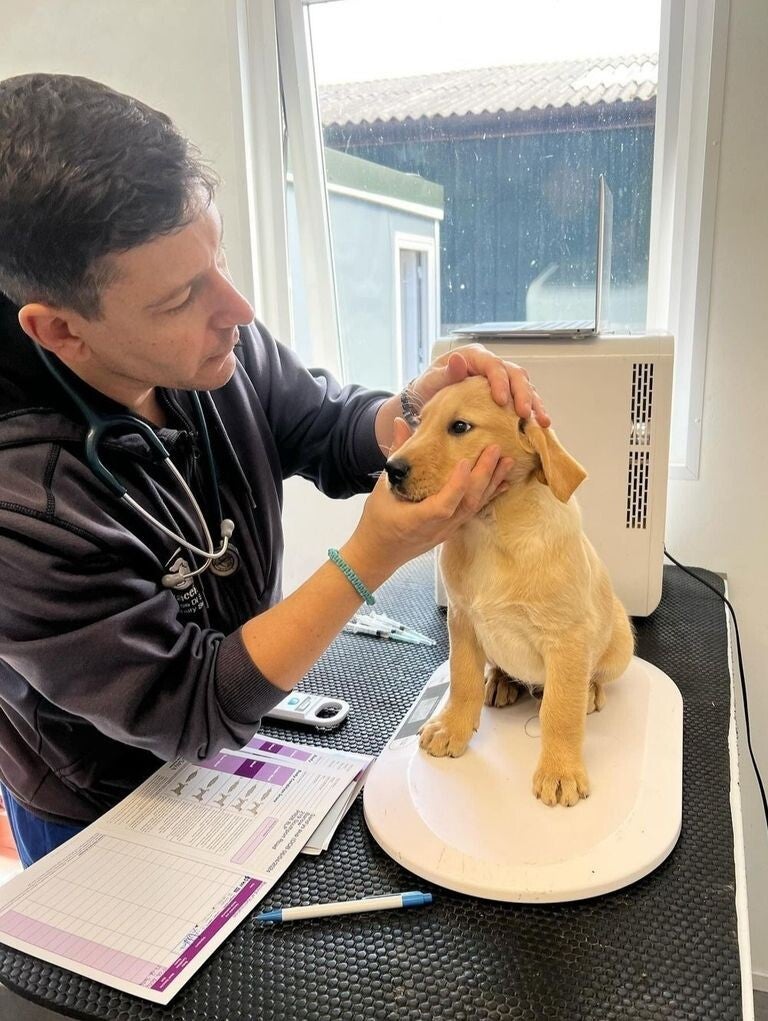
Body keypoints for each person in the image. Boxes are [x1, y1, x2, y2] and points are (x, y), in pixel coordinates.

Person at [0, 73, 549, 867]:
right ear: (61, 331)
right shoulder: (21, 507)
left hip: (236, 737)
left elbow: (324, 426)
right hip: (102, 796)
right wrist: (371, 556)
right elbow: (189, 703)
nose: (238, 308)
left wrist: (416, 416)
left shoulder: (210, 342)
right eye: (182, 294)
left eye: (217, 258)